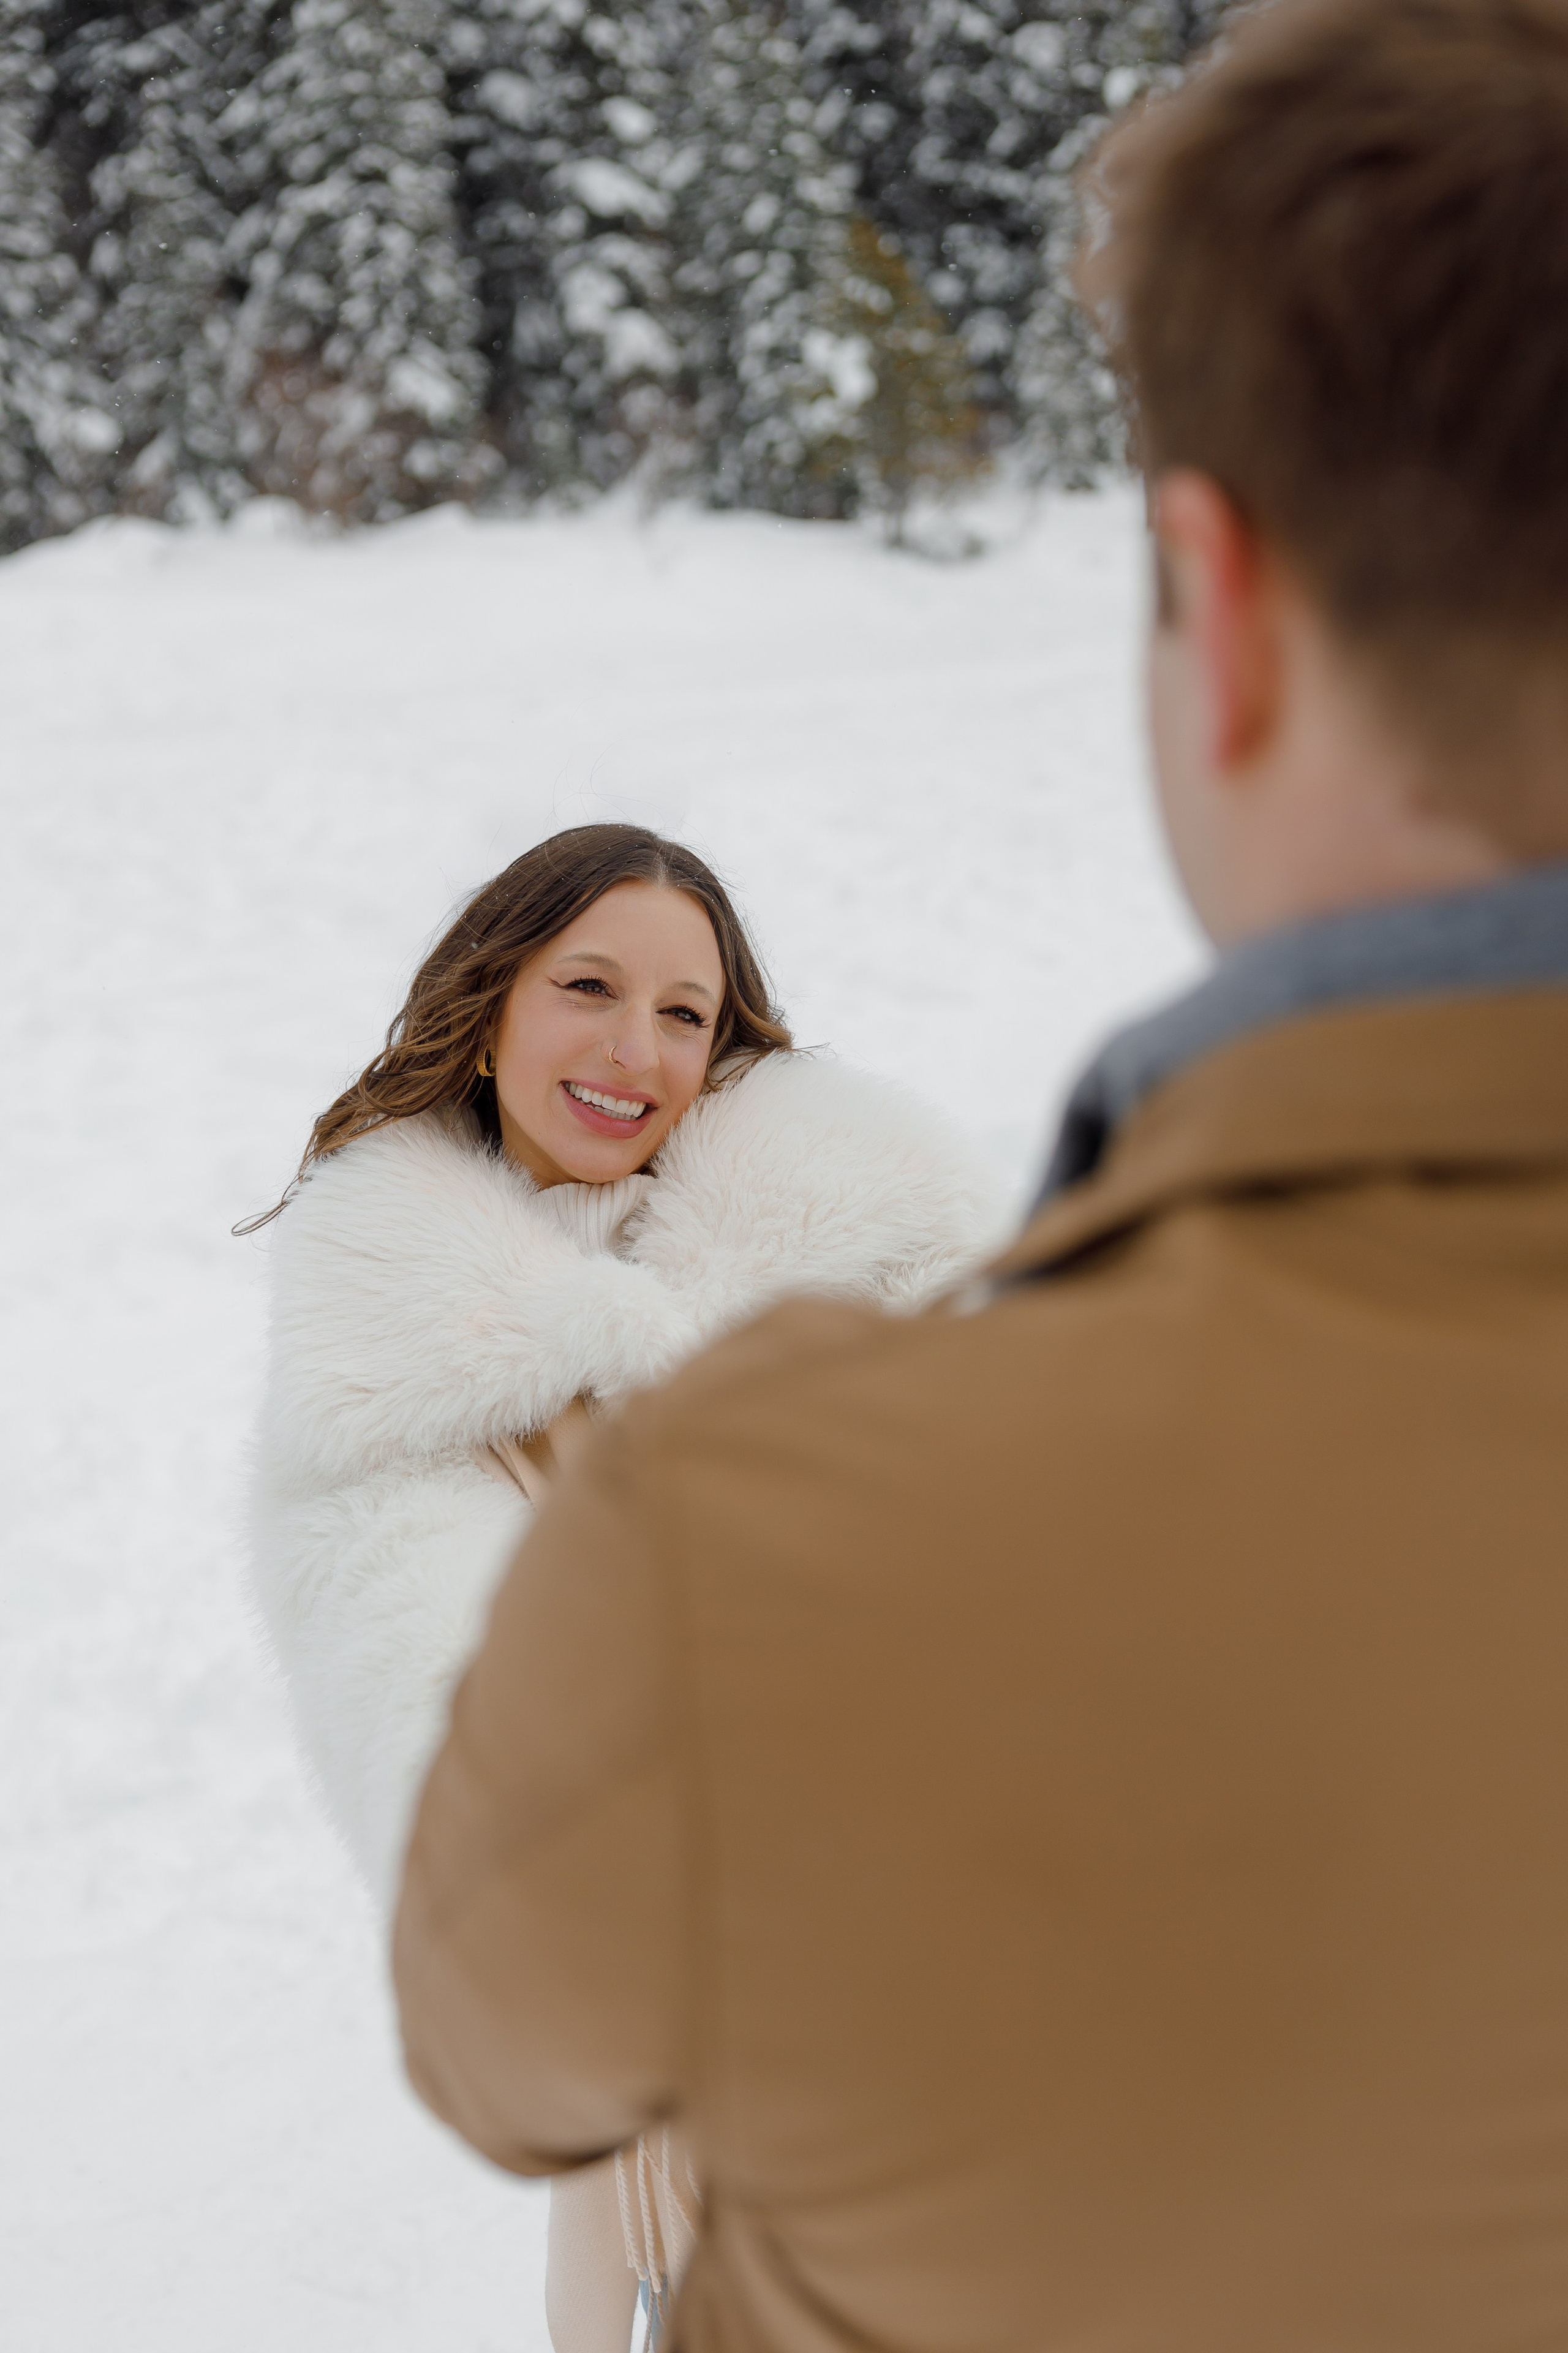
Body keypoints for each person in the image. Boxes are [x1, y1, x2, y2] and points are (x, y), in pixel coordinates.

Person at [393, 2, 1568, 2346]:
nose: (636, 1051)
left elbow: (496, 2028)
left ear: (1217, 617)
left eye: (681, 1009)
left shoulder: (765, 1533)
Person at [246, 823, 998, 2352]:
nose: (633, 1050)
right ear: (492, 998)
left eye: (683, 1012)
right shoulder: (389, 1369)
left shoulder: (872, 1259)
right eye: (587, 985)